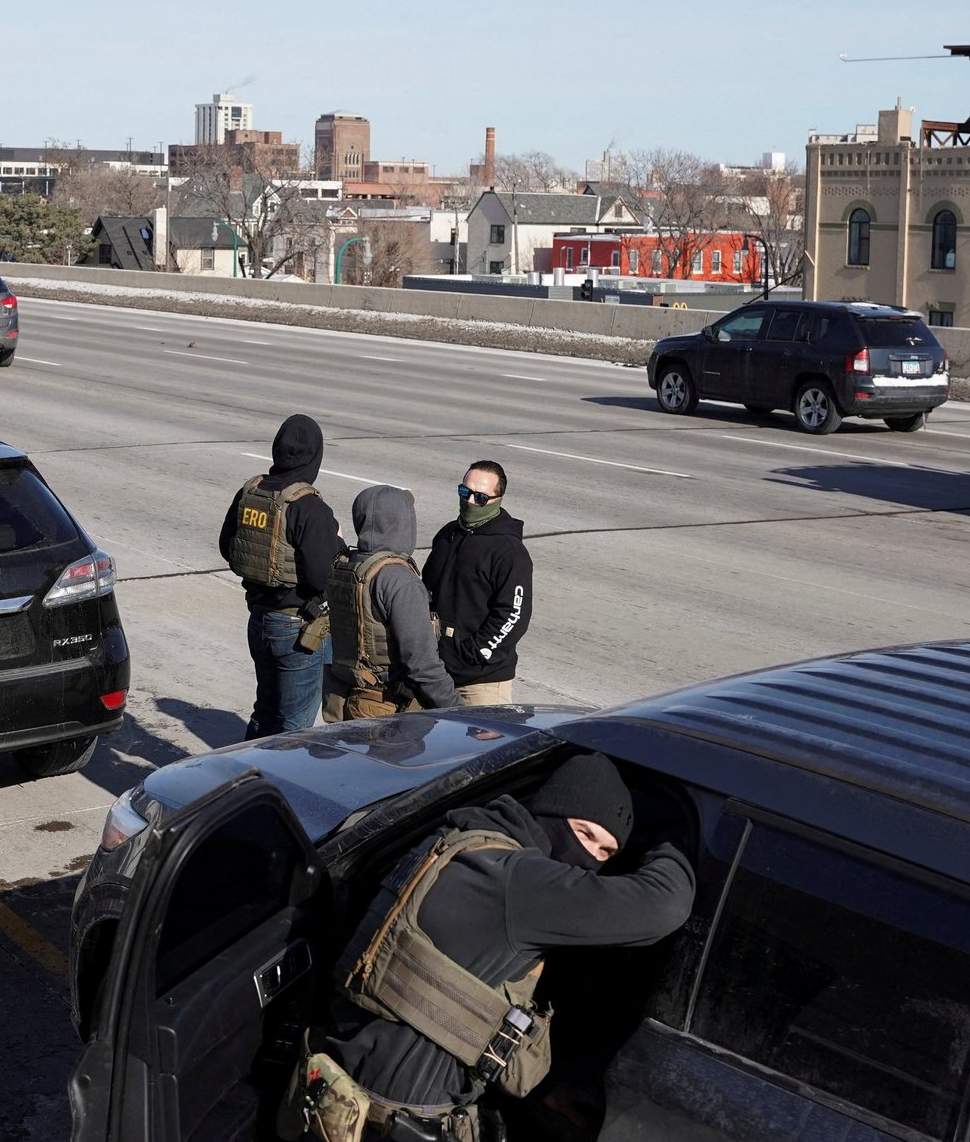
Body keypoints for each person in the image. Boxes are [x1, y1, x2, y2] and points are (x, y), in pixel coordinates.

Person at [302, 753, 694, 1141]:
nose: (591, 857)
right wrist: (675, 836)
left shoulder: (465, 842)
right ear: (551, 812)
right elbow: (664, 905)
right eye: (584, 833)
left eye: (607, 852)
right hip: (399, 1119)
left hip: (350, 1092)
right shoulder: (518, 883)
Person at [218, 414, 342, 738]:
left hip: (259, 618)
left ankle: (249, 780)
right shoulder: (308, 506)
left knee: (265, 709)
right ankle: (278, 786)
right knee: (294, 727)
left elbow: (227, 546)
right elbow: (320, 578)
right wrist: (337, 541)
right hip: (295, 628)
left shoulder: (251, 491)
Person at [325, 485, 457, 722]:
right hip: (386, 707)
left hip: (348, 698)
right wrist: (457, 708)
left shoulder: (347, 567)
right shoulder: (399, 580)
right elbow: (422, 664)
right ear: (404, 522)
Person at [422, 460, 533, 706]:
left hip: (481, 682)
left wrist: (475, 652)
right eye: (465, 492)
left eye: (481, 497)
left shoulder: (509, 551)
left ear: (497, 499)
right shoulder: (447, 535)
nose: (471, 501)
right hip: (437, 675)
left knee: (482, 746)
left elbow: (513, 613)